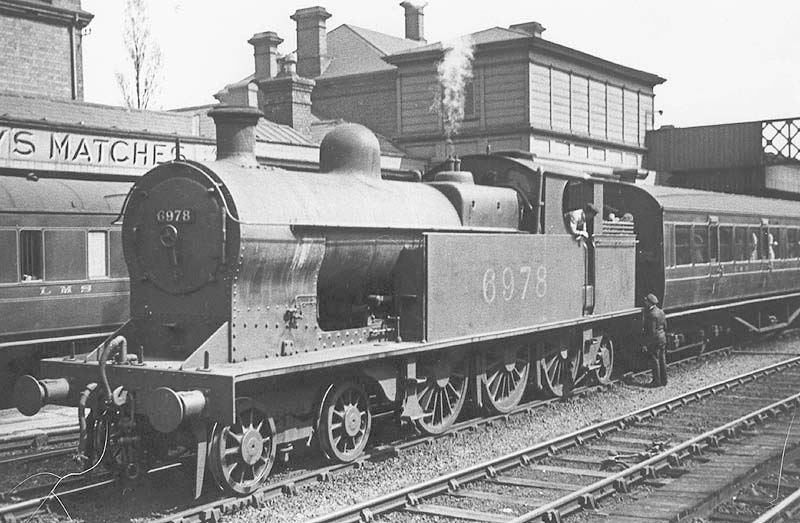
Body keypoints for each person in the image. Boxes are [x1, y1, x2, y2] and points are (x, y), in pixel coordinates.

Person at [642, 293, 667, 387]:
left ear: (649, 303)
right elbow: (665, 325)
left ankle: (656, 381)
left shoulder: (651, 315)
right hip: (662, 338)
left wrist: (646, 344)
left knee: (655, 360)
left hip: (655, 340)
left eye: (646, 301)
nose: (645, 303)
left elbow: (651, 332)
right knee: (662, 359)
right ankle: (664, 381)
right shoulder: (661, 312)